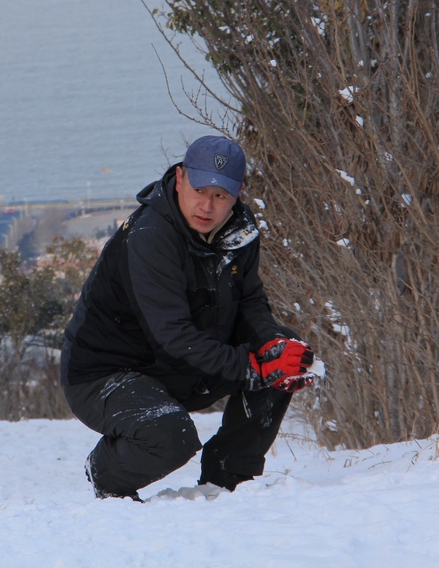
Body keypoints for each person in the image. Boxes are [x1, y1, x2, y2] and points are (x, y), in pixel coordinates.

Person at [60, 135, 315, 501]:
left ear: (238, 193)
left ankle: (228, 480)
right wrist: (252, 365)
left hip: (176, 364)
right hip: (104, 374)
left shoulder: (240, 230)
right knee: (171, 437)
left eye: (221, 196)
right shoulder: (151, 237)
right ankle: (106, 472)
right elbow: (174, 334)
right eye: (199, 190)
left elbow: (250, 302)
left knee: (281, 355)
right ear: (179, 179)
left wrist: (271, 344)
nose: (207, 206)